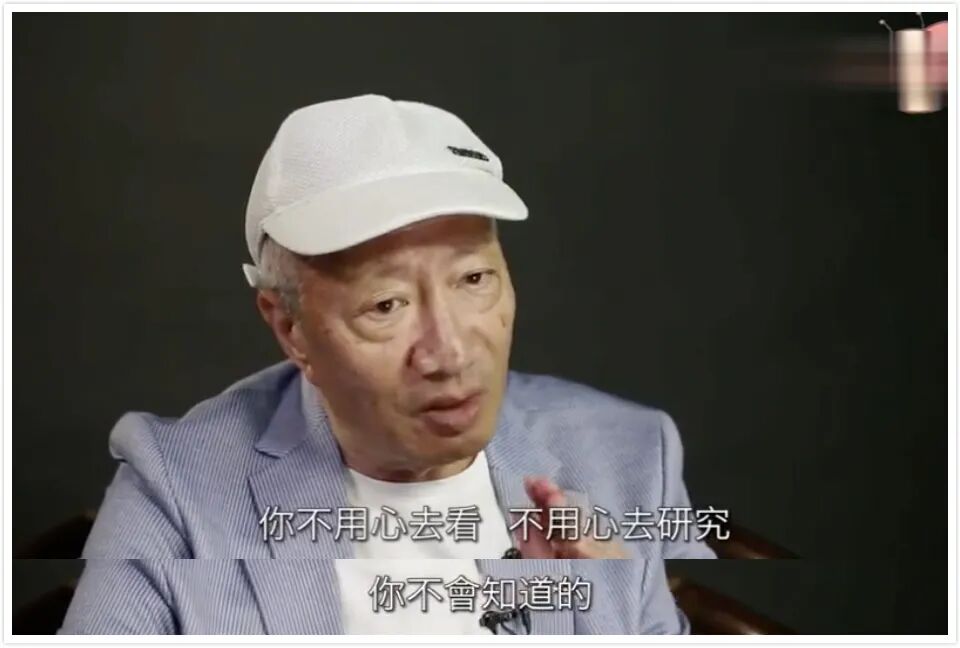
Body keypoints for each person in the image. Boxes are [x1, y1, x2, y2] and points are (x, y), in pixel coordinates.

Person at [60, 94, 716, 635]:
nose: (449, 353)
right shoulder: (177, 487)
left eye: (474, 279)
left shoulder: (630, 456)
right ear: (290, 328)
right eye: (386, 305)